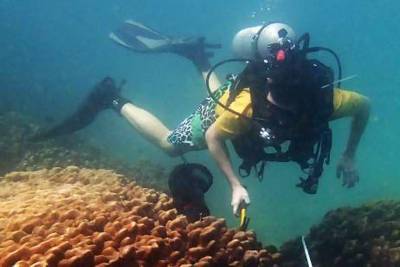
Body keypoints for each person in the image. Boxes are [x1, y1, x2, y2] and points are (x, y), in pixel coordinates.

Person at [33, 21, 370, 216]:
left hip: (236, 96)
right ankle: (111, 97)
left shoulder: (328, 99)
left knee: (222, 93)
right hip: (230, 103)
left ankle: (196, 56)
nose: (282, 107)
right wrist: (235, 184)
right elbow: (213, 137)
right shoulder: (247, 107)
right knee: (169, 144)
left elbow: (364, 107)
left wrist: (350, 154)